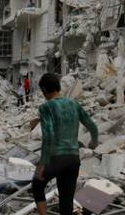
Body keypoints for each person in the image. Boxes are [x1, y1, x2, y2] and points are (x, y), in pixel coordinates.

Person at [32, 73, 99, 215]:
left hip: (56, 158)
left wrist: (42, 163)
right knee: (66, 202)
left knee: (37, 184)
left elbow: (48, 135)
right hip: (73, 159)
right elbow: (92, 126)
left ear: (44, 89)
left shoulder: (46, 107)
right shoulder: (73, 104)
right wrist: (93, 141)